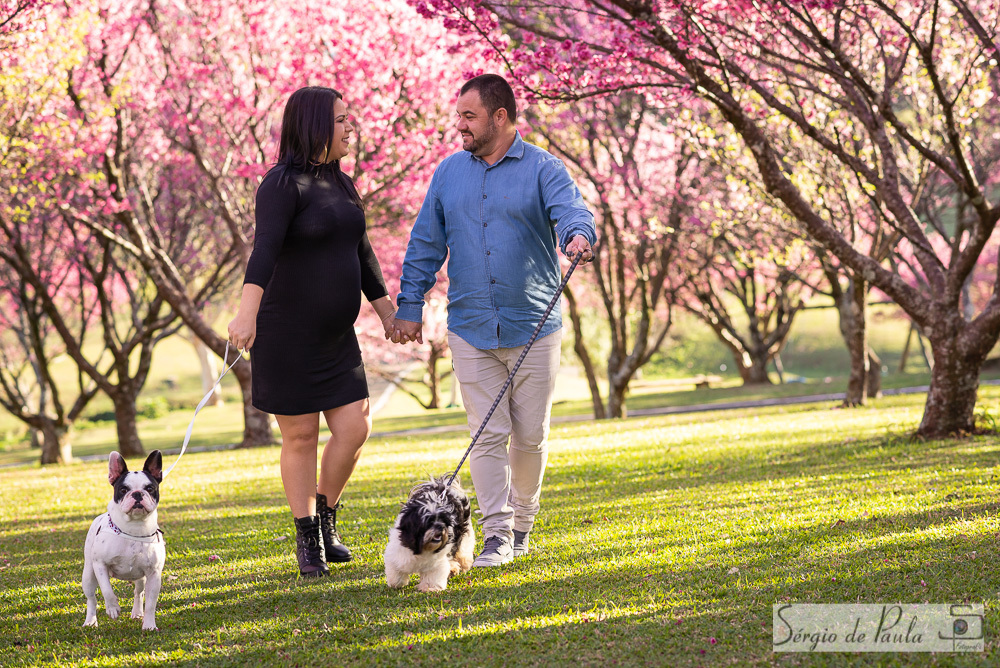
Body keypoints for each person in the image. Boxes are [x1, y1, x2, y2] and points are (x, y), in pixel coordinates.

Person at [391, 74, 596, 567]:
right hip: (471, 327)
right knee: (486, 434)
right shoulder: (448, 174)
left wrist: (578, 236)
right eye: (458, 115)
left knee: (530, 434)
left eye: (469, 116)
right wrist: (409, 303)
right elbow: (424, 242)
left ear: (499, 117)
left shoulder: (543, 167)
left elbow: (572, 212)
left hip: (533, 325)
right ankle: (497, 534)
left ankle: (523, 522)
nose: (458, 125)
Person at [228, 86, 397, 578]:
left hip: (335, 338)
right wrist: (246, 314)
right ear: (314, 125)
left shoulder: (342, 184)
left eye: (350, 117)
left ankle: (326, 515)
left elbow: (362, 254)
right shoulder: (280, 184)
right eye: (342, 119)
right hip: (286, 334)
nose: (351, 127)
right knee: (300, 437)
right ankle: (308, 540)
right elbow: (263, 251)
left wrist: (386, 311)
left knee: (354, 428)